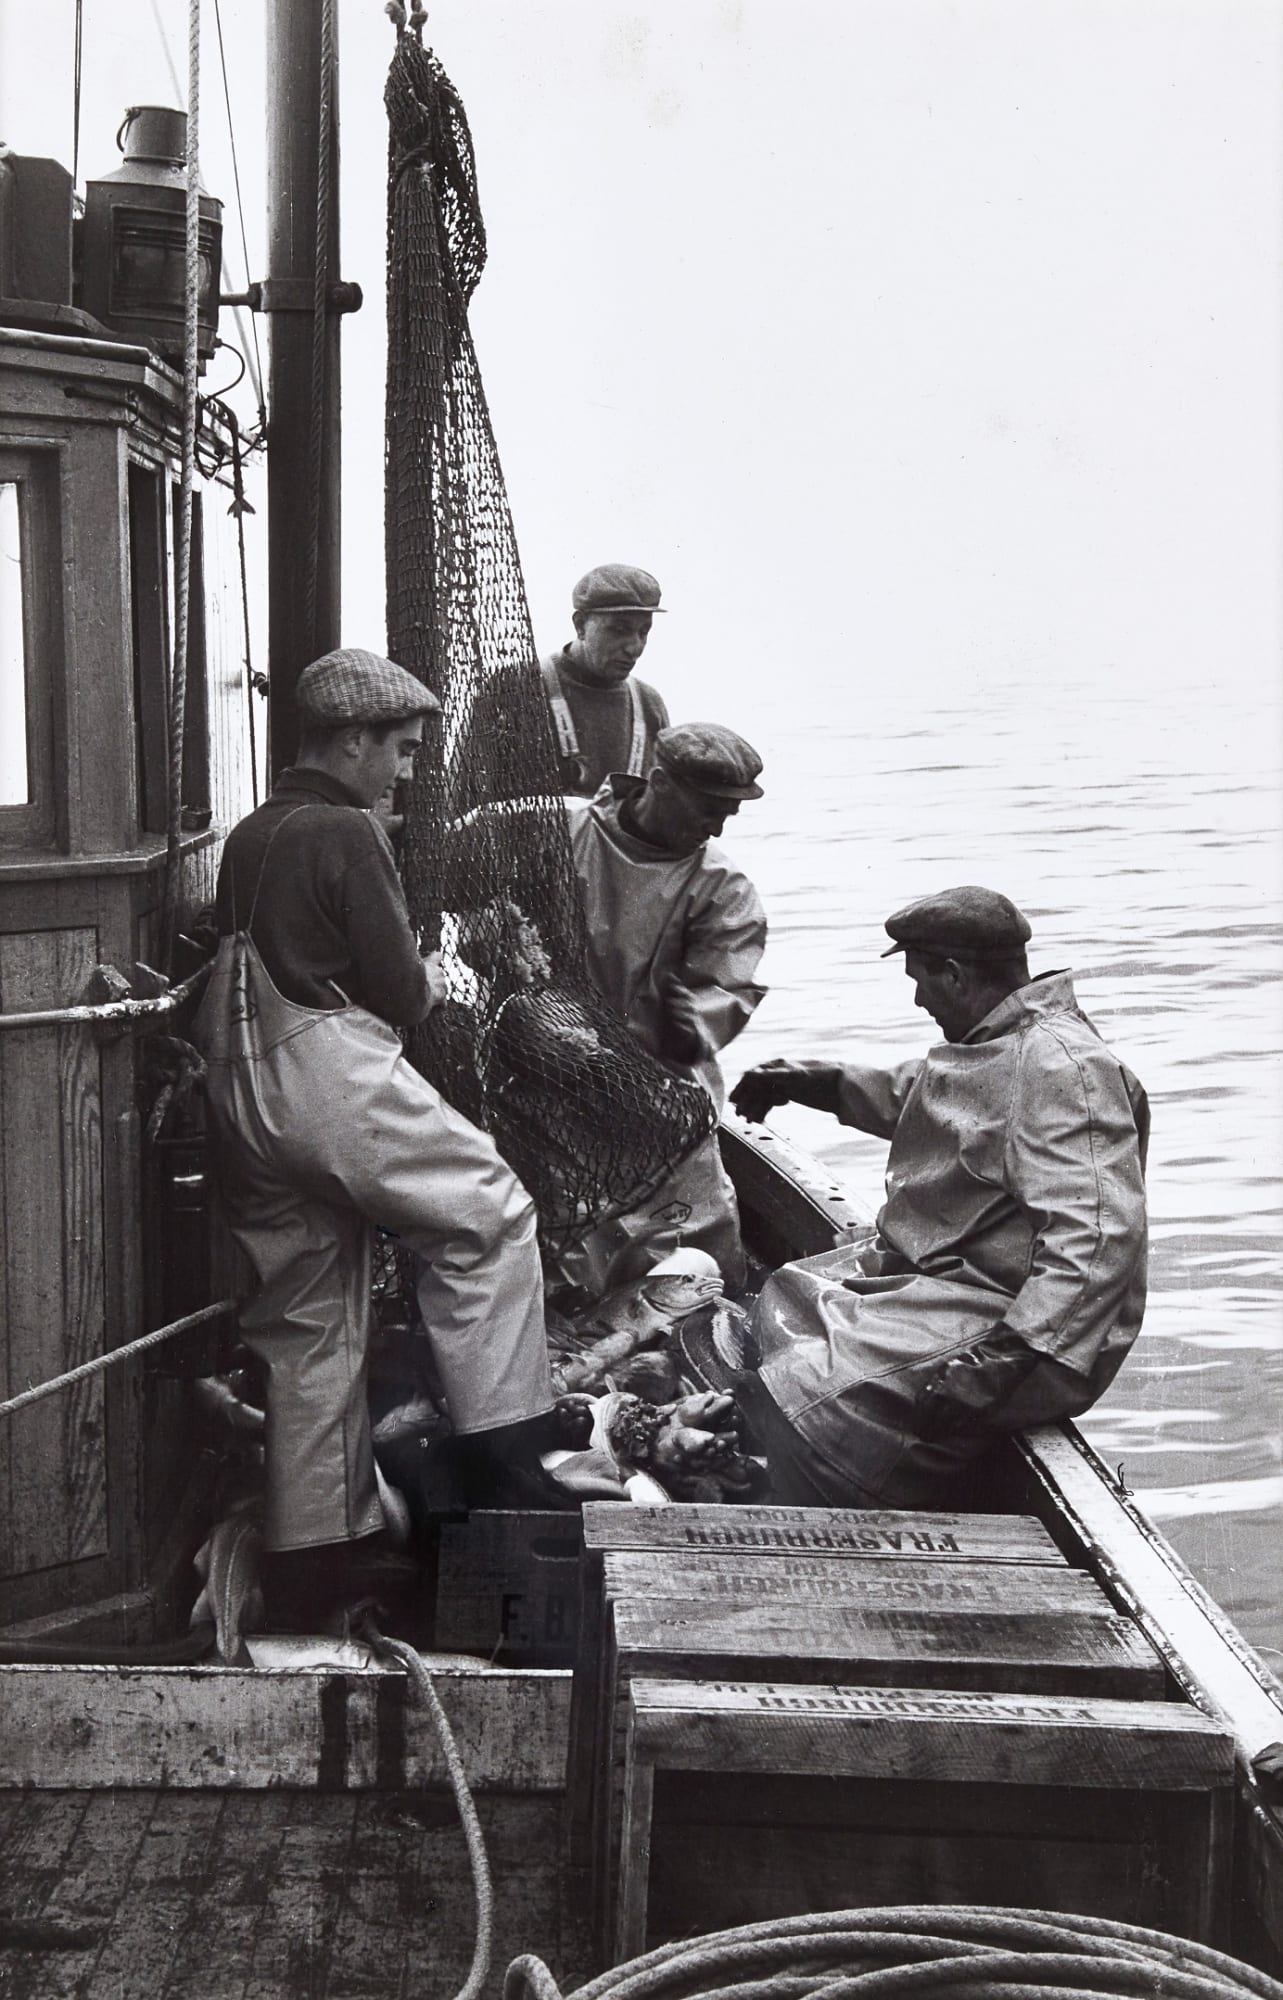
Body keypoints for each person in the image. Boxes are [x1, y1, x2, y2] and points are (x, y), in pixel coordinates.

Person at [193, 648, 556, 1628]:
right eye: (396, 751)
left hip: (239, 1094)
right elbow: (400, 992)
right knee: (488, 1218)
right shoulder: (351, 830)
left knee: (308, 1320)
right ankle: (508, 1501)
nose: (403, 773)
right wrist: (440, 973)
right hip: (324, 1080)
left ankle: (318, 1568)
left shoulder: (250, 834)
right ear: (348, 739)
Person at [730, 887, 1149, 1507]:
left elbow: (1098, 1237)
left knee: (814, 1391)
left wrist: (1007, 1358)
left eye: (920, 980)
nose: (920, 998)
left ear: (953, 975)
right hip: (954, 1278)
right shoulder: (999, 1039)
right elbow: (928, 1097)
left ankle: (839, 1494)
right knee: (783, 1295)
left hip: (1027, 1324)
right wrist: (815, 1082)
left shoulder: (1064, 1070)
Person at [558, 721, 768, 1294]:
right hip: (553, 1076)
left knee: (699, 1248)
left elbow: (727, 989)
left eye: (731, 812)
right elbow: (450, 851)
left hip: (665, 1091)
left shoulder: (721, 886)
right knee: (568, 1242)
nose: (719, 825)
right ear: (656, 782)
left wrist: (690, 1024)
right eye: (708, 807)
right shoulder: (560, 828)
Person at [539, 563, 671, 797]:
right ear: (580, 625)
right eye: (619, 630)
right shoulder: (518, 689)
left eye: (644, 632)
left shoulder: (650, 705)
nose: (635, 648)